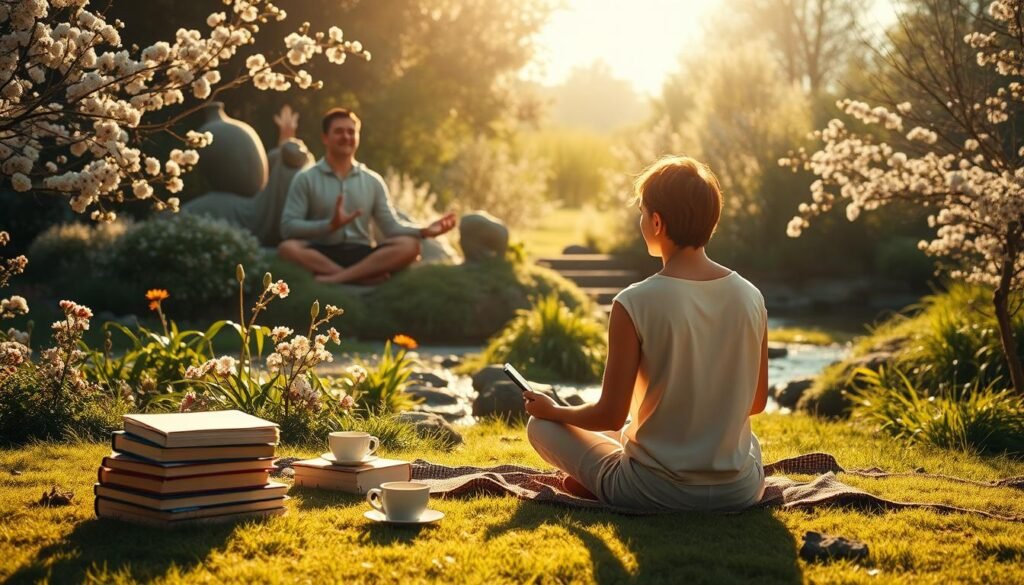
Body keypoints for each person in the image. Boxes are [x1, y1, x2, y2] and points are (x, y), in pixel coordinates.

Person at [523, 155, 769, 512]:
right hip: (739, 490)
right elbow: (756, 403)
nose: (641, 221)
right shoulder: (751, 295)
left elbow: (609, 415)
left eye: (642, 212)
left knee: (540, 427)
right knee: (747, 442)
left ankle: (597, 481)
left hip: (652, 491)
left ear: (656, 221)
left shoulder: (634, 302)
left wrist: (554, 410)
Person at [278, 108, 456, 284]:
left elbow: (391, 227)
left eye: (351, 132)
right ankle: (359, 278)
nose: (346, 137)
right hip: (321, 251)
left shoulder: (373, 181)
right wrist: (329, 225)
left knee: (410, 246)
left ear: (357, 137)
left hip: (362, 253)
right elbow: (288, 227)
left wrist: (424, 231)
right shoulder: (305, 178)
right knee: (287, 249)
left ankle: (340, 277)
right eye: (339, 132)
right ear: (325, 138)